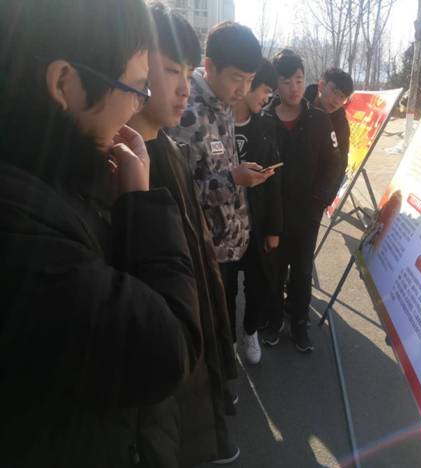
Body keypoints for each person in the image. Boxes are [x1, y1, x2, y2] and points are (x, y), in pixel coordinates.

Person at [0, 1, 203, 467]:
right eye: (135, 87)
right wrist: (141, 207)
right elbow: (167, 350)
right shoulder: (19, 227)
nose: (137, 106)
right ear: (63, 83)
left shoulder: (49, 174)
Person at [128, 4, 238, 465]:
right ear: (134, 65)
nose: (184, 87)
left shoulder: (168, 148)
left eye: (189, 73)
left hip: (192, 323)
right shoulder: (122, 163)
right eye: (172, 70)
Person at [168, 22, 272, 354]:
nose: (243, 89)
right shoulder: (185, 113)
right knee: (212, 324)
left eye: (250, 80)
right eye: (237, 78)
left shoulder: (222, 101)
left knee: (225, 315)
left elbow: (215, 164)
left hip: (230, 241)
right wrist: (233, 179)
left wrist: (237, 173)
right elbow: (178, 193)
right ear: (209, 66)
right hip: (205, 250)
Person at [262, 49, 341, 352]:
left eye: (299, 80)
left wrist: (319, 199)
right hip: (274, 214)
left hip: (307, 212)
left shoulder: (319, 120)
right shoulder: (265, 119)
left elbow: (335, 164)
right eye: (286, 82)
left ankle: (299, 324)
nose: (294, 88)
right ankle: (272, 321)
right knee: (274, 270)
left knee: (302, 270)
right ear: (276, 84)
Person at [232, 58, 282, 364]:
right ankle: (226, 339)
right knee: (225, 287)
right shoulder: (217, 119)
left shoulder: (265, 125)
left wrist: (274, 228)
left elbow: (274, 179)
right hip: (223, 224)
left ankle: (250, 331)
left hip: (257, 222)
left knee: (257, 282)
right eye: (265, 90)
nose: (267, 98)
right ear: (248, 83)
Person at [304, 67, 354, 187]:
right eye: (335, 92)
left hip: (316, 189)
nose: (337, 101)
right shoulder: (298, 105)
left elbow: (340, 164)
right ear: (321, 85)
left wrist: (324, 196)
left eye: (343, 97)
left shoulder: (340, 124)